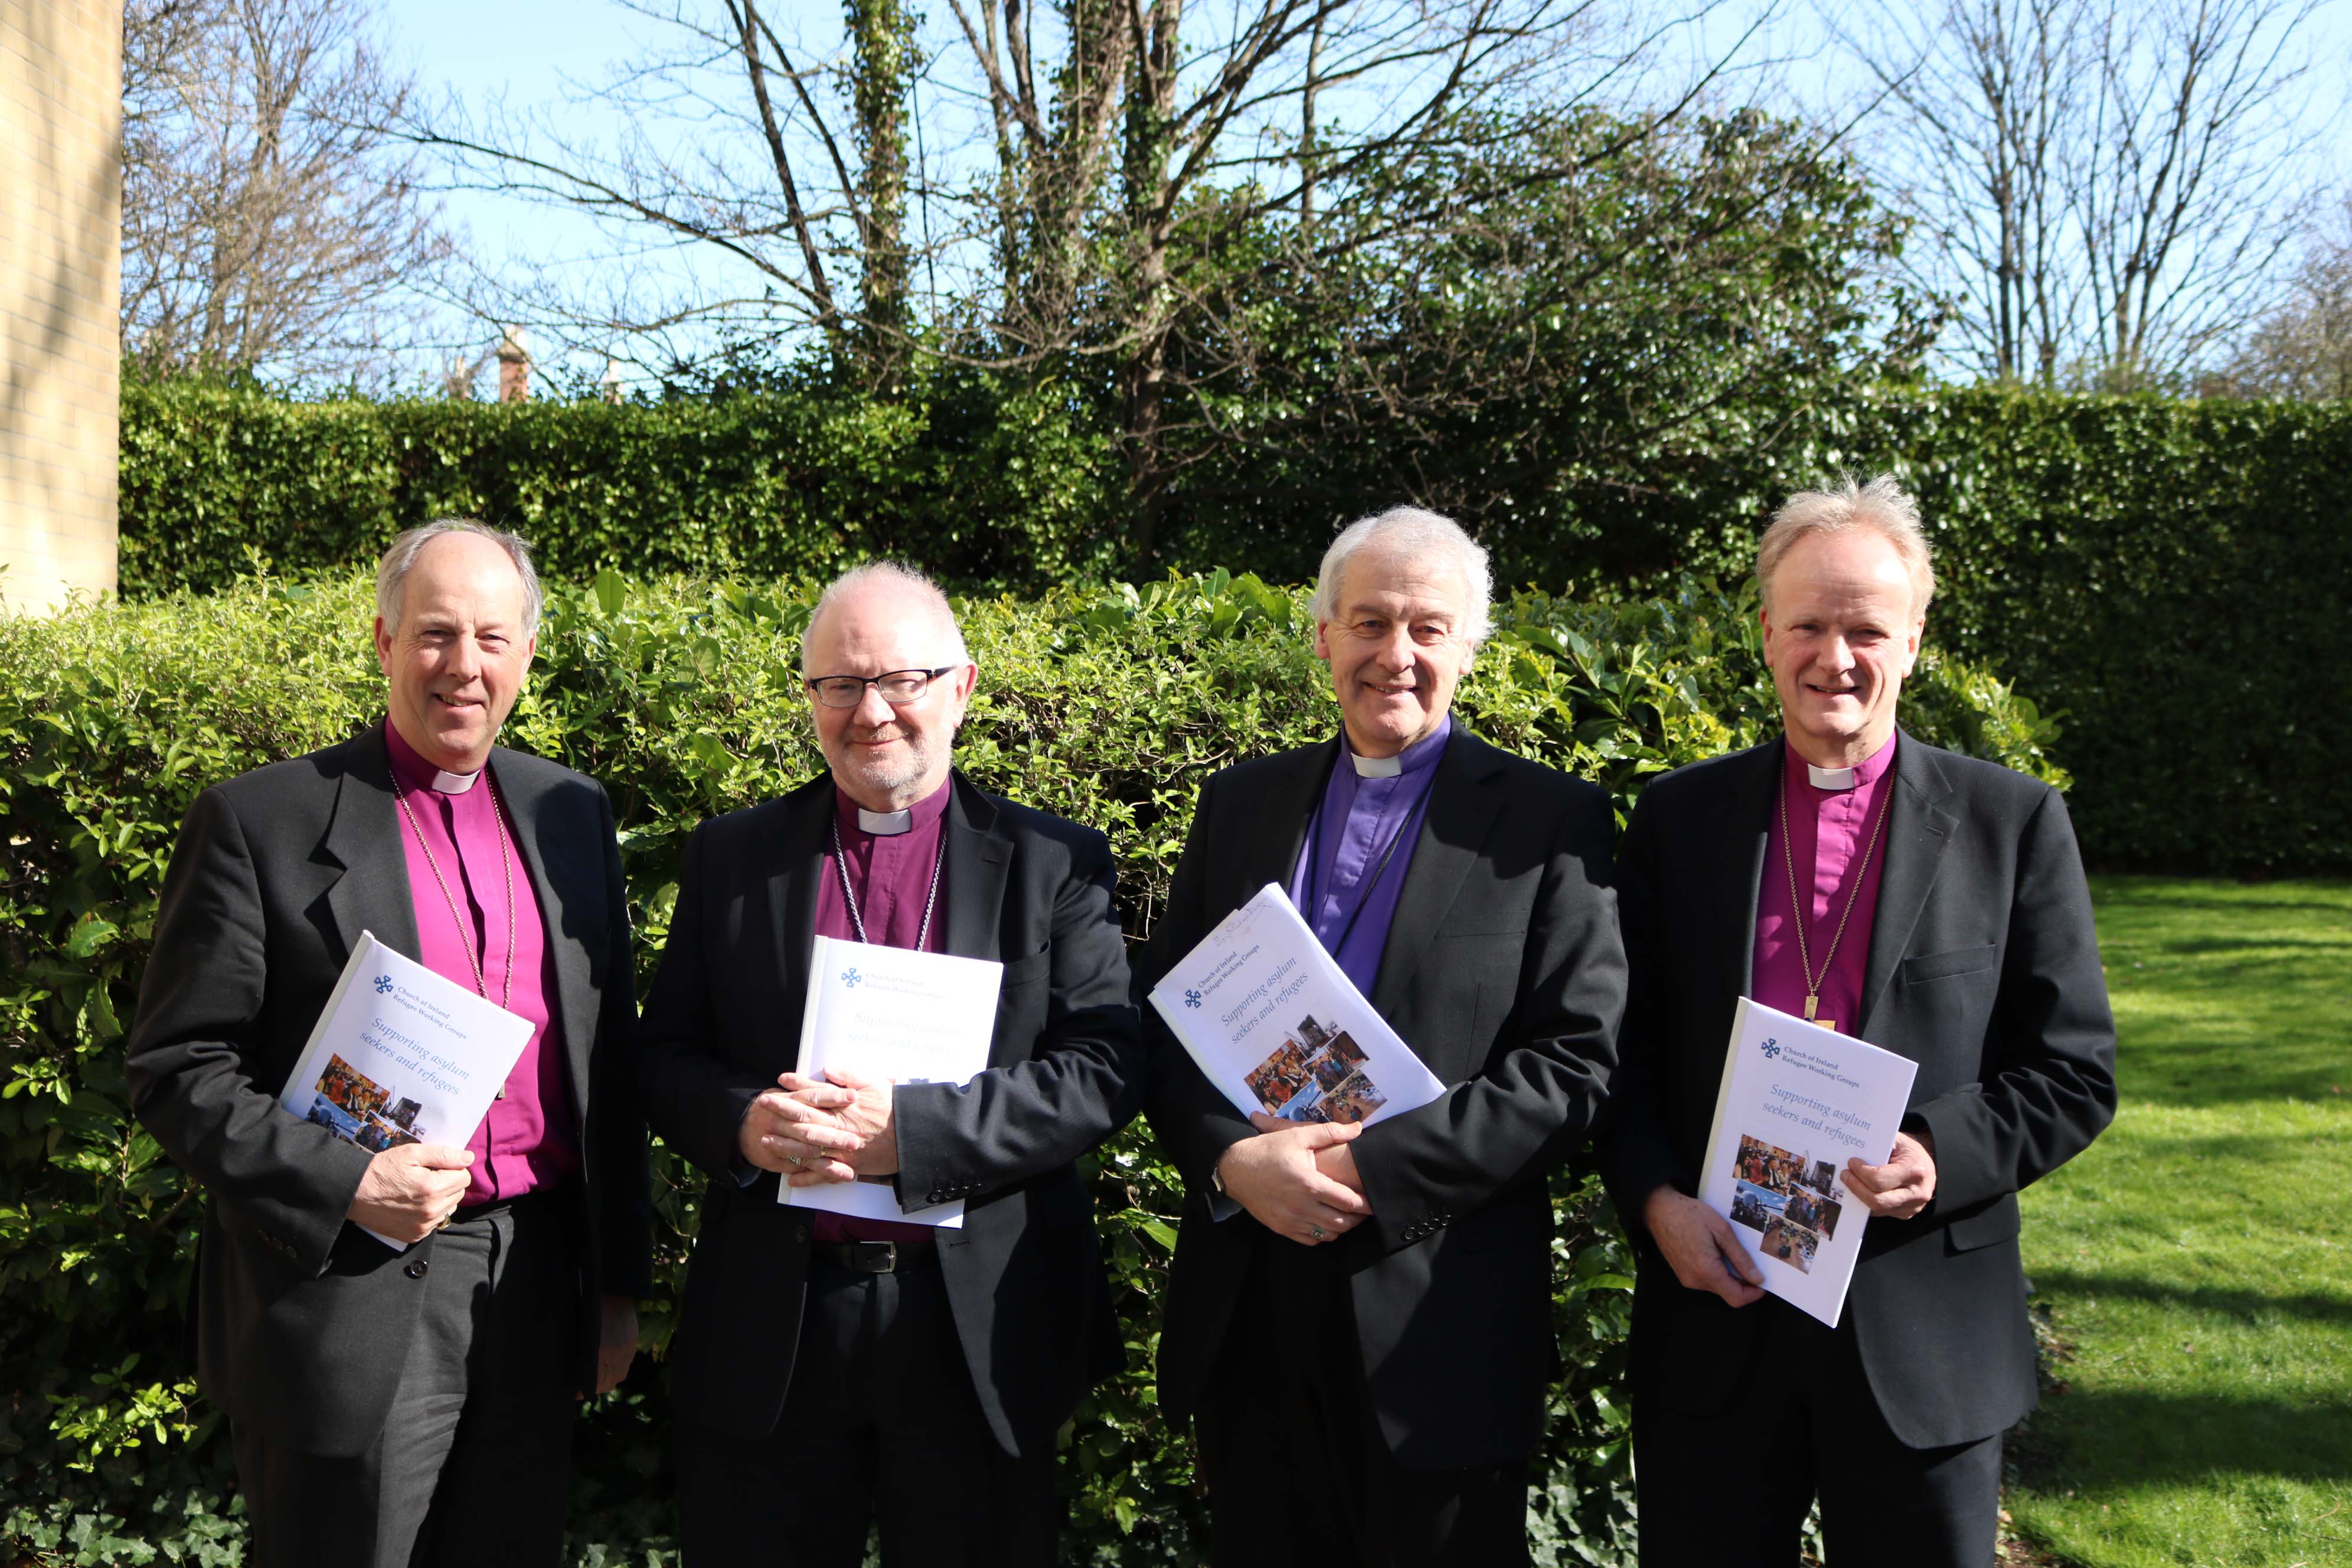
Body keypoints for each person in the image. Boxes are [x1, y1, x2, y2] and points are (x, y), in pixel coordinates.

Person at [1599, 475, 2117, 1566]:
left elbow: (2073, 1072)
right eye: (1810, 626)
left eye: (1867, 629)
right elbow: (1618, 1055)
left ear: (1915, 638)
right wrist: (1654, 1202)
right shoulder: (1679, 820)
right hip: (1718, 1310)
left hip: (1921, 1321)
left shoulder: (2010, 821)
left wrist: (1938, 1151)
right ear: (1767, 633)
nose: (1837, 657)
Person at [126, 521, 650, 1568]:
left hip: (533, 1282)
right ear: (382, 642)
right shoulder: (258, 821)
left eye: (493, 639)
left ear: (527, 656)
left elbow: (608, 1061)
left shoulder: (572, 814)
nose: (465, 666)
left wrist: (616, 1288)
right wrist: (345, 1180)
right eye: (436, 634)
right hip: (346, 1296)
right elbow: (176, 1068)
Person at [1140, 507, 1625, 1567]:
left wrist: (1374, 1167)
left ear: (1470, 646)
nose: (1394, 656)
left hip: (1438, 1317)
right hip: (1252, 1305)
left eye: (1427, 628)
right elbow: (1165, 1023)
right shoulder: (1237, 806)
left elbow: (1574, 1065)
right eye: (1368, 623)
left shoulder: (1552, 822)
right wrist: (1231, 1158)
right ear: (1323, 636)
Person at [634, 561, 1145, 1566]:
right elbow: (662, 1055)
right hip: (778, 1322)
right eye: (839, 684)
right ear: (812, 700)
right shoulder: (733, 858)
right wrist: (740, 1124)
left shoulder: (1054, 864)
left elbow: (1104, 1069)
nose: (871, 713)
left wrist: (907, 1138)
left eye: (901, 680)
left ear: (960, 688)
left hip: (974, 1326)